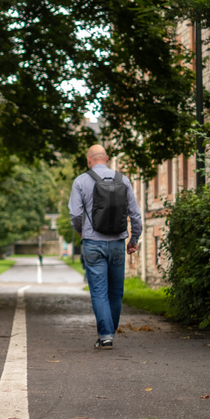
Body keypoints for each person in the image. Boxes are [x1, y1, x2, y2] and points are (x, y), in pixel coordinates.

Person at [68, 144, 142, 350]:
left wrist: (82, 231)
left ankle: (106, 335)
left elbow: (75, 214)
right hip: (118, 243)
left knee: (99, 291)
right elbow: (135, 214)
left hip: (93, 243)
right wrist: (134, 239)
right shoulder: (123, 180)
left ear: (89, 160)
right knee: (116, 292)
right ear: (107, 158)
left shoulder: (81, 181)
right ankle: (109, 332)